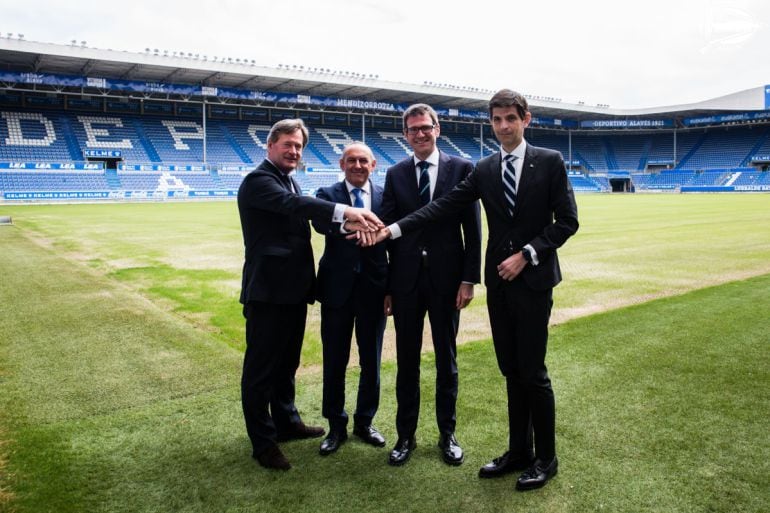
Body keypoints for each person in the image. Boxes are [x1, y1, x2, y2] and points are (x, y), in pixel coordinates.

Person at [369, 89, 579, 490]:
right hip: (500, 285)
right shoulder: (483, 168)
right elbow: (442, 206)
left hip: (533, 281)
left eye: (510, 119)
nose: (503, 126)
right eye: (497, 120)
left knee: (533, 373)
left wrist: (528, 254)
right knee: (511, 371)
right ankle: (519, 450)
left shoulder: (550, 162)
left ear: (525, 120)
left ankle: (546, 458)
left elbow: (567, 221)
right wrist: (392, 229)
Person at [237, 118, 382, 471]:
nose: (294, 151)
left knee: (287, 364)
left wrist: (345, 224)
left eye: (299, 146)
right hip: (268, 292)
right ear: (270, 146)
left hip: (293, 291)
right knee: (261, 370)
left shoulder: (287, 179)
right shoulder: (259, 181)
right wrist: (346, 211)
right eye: (287, 144)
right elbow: (298, 207)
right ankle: (264, 443)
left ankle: (286, 422)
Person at [380, 103, 482, 467]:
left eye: (426, 127)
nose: (420, 134)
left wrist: (469, 279)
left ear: (438, 129)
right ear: (405, 134)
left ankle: (447, 434)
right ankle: (405, 436)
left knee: (446, 361)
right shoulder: (395, 173)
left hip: (447, 282)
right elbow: (389, 233)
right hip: (406, 283)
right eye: (413, 130)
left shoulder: (462, 169)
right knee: (406, 362)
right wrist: (389, 287)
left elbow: (472, 229)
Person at [311, 142, 389, 456]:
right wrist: (350, 222)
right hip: (336, 290)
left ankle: (365, 422)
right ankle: (336, 426)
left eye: (363, 161)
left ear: (373, 165)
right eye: (351, 160)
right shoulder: (327, 194)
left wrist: (391, 290)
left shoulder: (386, 196)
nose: (357, 166)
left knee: (371, 360)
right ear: (342, 164)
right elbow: (319, 223)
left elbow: (396, 240)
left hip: (374, 289)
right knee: (335, 360)